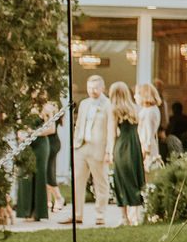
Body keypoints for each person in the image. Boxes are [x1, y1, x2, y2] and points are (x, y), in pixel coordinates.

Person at [64, 75, 113, 226]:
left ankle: (100, 214)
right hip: (81, 146)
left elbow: (111, 129)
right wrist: (75, 142)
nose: (93, 90)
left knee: (101, 182)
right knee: (77, 181)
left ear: (103, 88)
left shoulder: (108, 104)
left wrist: (108, 151)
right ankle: (77, 214)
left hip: (98, 148)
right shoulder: (84, 103)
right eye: (90, 87)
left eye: (96, 87)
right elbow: (78, 124)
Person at [15, 96, 60, 222]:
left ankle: (38, 212)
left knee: (40, 175)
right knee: (25, 175)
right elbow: (19, 126)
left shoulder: (47, 108)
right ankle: (25, 211)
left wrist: (34, 133)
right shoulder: (23, 107)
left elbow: (51, 129)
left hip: (41, 144)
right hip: (26, 144)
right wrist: (21, 134)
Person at [109, 81, 147, 226]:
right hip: (134, 146)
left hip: (122, 146)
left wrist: (110, 152)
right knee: (134, 177)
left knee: (121, 179)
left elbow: (112, 133)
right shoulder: (135, 109)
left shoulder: (114, 110)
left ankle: (124, 217)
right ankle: (136, 215)